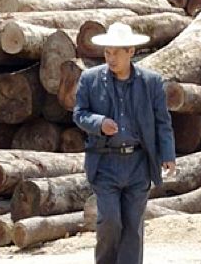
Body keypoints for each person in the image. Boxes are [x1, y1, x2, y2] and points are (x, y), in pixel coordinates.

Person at [73, 22, 176, 264]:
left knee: (133, 226)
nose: (110, 58)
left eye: (116, 53)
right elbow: (79, 114)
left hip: (139, 163)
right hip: (105, 162)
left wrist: (168, 154)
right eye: (107, 52)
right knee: (109, 221)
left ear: (131, 51)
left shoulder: (151, 82)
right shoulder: (90, 79)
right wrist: (99, 123)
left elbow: (162, 122)